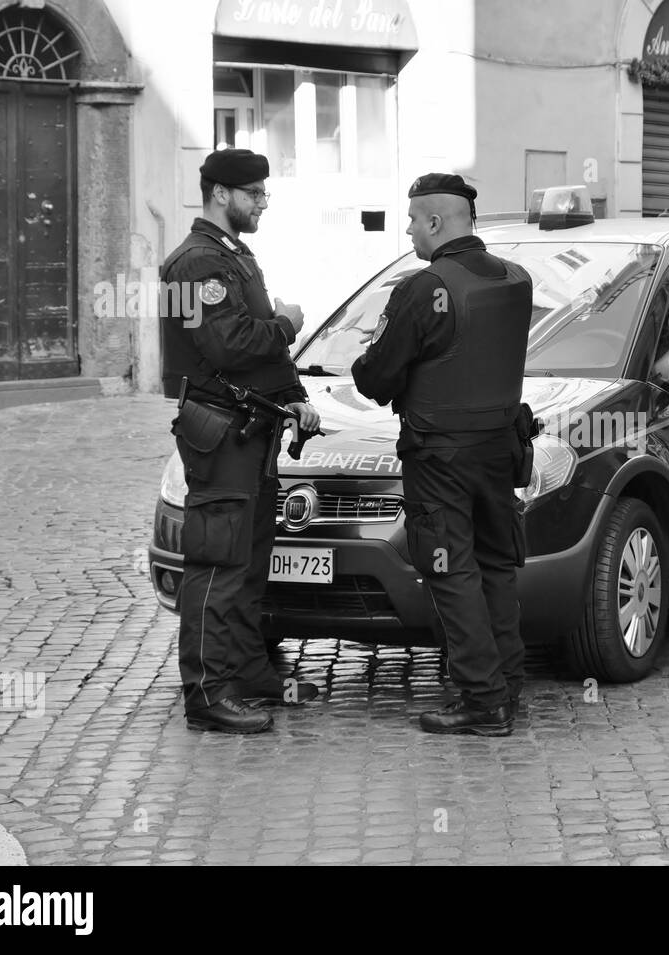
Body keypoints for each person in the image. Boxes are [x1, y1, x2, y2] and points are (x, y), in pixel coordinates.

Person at [351, 173, 533, 737]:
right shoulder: (517, 278)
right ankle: (506, 684)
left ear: (434, 222)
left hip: (441, 456)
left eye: (411, 220)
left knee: (451, 571)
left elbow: (374, 377)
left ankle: (483, 701)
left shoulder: (424, 289)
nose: (407, 230)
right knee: (498, 567)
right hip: (500, 448)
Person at [161, 148, 322, 734]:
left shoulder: (234, 256)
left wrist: (295, 393)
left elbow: (262, 353)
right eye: (253, 193)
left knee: (251, 560)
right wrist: (288, 322)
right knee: (217, 561)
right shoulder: (196, 264)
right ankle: (206, 691)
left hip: (250, 427)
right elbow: (229, 344)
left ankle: (248, 670)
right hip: (219, 429)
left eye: (263, 193)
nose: (261, 203)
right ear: (221, 194)